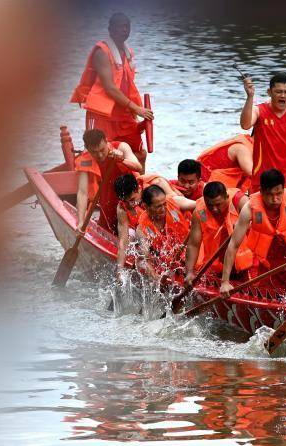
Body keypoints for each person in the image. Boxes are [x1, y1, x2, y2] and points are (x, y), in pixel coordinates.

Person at [70, 12, 153, 165]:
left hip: (124, 112)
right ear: (110, 29)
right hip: (102, 114)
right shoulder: (102, 52)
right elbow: (109, 88)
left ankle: (139, 186)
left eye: (127, 27)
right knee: (99, 154)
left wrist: (137, 110)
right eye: (120, 26)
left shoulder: (128, 53)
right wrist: (137, 108)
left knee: (139, 153)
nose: (124, 30)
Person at [220, 169, 286, 296]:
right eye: (270, 195)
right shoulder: (249, 208)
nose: (275, 199)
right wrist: (225, 282)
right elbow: (233, 244)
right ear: (261, 191)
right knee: (267, 294)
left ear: (283, 189)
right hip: (267, 263)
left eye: (279, 193)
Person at [114, 173, 196, 270]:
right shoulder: (125, 211)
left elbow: (196, 205)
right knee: (133, 239)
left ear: (139, 189)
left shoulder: (161, 189)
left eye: (132, 199)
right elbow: (123, 242)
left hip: (182, 231)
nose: (131, 205)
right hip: (149, 233)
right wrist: (119, 271)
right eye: (126, 201)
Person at [183, 182, 252, 287]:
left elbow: (257, 219)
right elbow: (193, 244)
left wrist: (245, 222)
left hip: (246, 265)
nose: (214, 209)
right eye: (210, 205)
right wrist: (189, 272)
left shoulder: (239, 201)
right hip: (215, 267)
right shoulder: (200, 212)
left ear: (226, 197)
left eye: (218, 204)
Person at [76, 129, 142, 233]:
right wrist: (80, 222)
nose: (100, 155)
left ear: (106, 141)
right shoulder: (84, 161)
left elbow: (138, 167)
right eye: (94, 152)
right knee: (107, 228)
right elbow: (82, 193)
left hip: (130, 196)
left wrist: (122, 159)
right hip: (107, 201)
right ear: (87, 149)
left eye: (102, 150)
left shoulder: (121, 147)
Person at [135, 185, 193, 280]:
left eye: (164, 204)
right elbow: (145, 260)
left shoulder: (175, 202)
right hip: (171, 265)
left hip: (192, 250)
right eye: (158, 206)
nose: (163, 208)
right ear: (145, 206)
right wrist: (156, 278)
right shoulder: (141, 230)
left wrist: (201, 221)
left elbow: (200, 205)